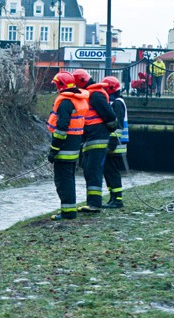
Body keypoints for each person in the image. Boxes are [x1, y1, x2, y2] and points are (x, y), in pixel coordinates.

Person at [72, 68, 119, 213]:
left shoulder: (95, 95)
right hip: (91, 137)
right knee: (89, 170)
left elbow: (111, 117)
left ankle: (94, 205)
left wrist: (108, 131)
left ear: (80, 82)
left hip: (97, 137)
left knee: (93, 170)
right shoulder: (89, 94)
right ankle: (92, 203)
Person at [46, 71, 89, 220]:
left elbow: (61, 129)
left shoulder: (64, 102)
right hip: (74, 147)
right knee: (69, 179)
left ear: (60, 86)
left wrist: (53, 150)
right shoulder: (77, 100)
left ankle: (68, 212)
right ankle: (70, 210)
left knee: (62, 182)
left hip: (64, 149)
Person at [101, 76, 128, 209]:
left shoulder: (117, 103)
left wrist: (111, 145)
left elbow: (118, 126)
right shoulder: (114, 102)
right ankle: (113, 197)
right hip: (113, 144)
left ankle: (117, 200)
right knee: (108, 171)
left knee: (112, 171)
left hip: (116, 145)